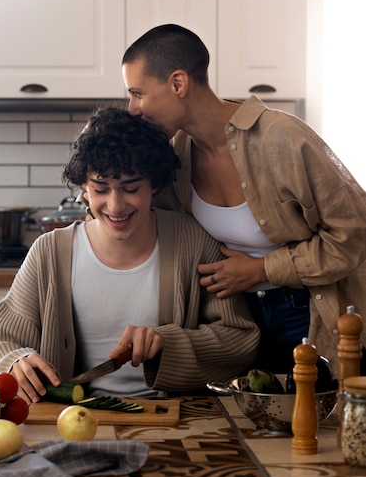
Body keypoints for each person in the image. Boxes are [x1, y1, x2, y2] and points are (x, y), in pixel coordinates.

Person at [122, 24, 366, 375]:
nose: (132, 108)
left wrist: (262, 269)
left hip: (304, 314)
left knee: (315, 426)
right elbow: (129, 207)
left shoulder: (282, 139)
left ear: (178, 83)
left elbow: (353, 236)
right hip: (233, 323)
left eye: (137, 93)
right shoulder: (175, 154)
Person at [0, 107, 260, 403]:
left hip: (173, 418)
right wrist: (14, 361)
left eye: (131, 188)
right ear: (85, 186)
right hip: (70, 419)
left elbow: (239, 339)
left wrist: (167, 343)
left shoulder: (194, 242)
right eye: (100, 189)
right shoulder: (50, 252)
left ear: (155, 183)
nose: (115, 205)